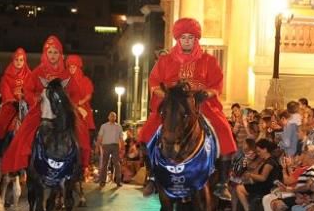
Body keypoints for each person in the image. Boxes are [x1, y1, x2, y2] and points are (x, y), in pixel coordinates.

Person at [137, 18, 237, 196]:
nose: (187, 41)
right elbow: (154, 84)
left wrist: (206, 93)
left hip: (200, 104)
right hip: (173, 104)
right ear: (178, 39)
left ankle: (222, 182)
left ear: (196, 39)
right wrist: (168, 95)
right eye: (183, 38)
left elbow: (217, 84)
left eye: (191, 38)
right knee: (147, 131)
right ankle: (151, 176)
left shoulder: (208, 60)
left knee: (224, 129)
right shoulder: (165, 60)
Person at [1, 36, 88, 176]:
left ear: (60, 54)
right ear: (45, 54)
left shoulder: (66, 73)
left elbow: (75, 93)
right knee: (25, 131)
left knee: (81, 129)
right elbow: (28, 90)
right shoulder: (38, 72)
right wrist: (36, 99)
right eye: (50, 52)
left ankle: (80, 163)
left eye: (55, 52)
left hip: (62, 111)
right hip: (42, 110)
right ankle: (24, 161)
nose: (52, 55)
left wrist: (70, 104)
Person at [0, 48, 31, 156]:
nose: (19, 62)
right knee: (4, 122)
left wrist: (27, 98)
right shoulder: (6, 77)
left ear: (24, 61)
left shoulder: (29, 75)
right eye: (16, 60)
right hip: (11, 105)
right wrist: (12, 100)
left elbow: (32, 89)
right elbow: (5, 90)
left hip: (26, 105)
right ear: (13, 61)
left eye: (21, 60)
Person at [66, 55, 95, 175]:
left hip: (81, 109)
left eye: (74, 67)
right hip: (69, 107)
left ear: (78, 67)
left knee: (83, 135)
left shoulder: (85, 80)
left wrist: (79, 103)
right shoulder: (66, 80)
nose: (72, 69)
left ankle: (84, 164)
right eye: (70, 67)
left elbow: (88, 95)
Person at [96, 112, 124, 188]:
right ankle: (102, 181)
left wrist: (123, 147)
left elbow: (121, 138)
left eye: (114, 116)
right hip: (106, 146)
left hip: (115, 146)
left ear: (115, 118)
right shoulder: (104, 126)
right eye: (111, 116)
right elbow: (100, 137)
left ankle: (118, 181)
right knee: (104, 164)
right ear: (108, 117)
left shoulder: (118, 126)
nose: (113, 118)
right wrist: (97, 146)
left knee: (117, 164)